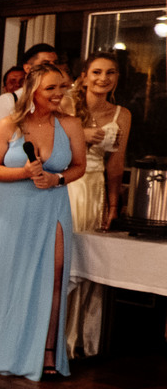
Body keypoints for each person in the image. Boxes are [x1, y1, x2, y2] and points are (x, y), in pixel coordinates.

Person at [0, 63, 86, 380]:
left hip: (51, 206)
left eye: (61, 87)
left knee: (54, 275)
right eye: (50, 88)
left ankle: (46, 351)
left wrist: (57, 179)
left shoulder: (70, 124)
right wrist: (24, 172)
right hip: (8, 210)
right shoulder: (8, 125)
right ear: (32, 91)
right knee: (4, 276)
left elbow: (79, 166)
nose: (58, 94)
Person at [63, 52, 132, 358]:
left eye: (110, 72)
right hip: (67, 185)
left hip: (95, 190)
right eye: (97, 72)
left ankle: (80, 340)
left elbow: (115, 165)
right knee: (66, 259)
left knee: (90, 262)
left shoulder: (122, 114)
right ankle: (54, 338)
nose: (103, 78)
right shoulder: (66, 103)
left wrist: (113, 205)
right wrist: (81, 134)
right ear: (84, 76)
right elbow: (46, 143)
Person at [0, 44, 58, 138]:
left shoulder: (59, 99)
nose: (52, 68)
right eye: (45, 63)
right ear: (27, 68)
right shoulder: (9, 100)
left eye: (55, 63)